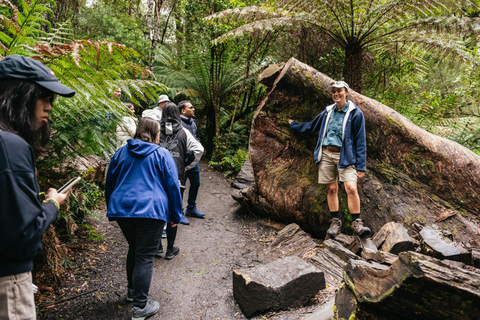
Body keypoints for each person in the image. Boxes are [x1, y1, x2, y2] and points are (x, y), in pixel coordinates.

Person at [0, 55, 76, 319]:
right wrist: (52, 204)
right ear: (20, 96)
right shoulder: (10, 146)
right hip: (8, 281)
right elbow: (23, 230)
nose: (49, 107)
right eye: (44, 97)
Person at [105, 117, 183, 319]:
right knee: (145, 256)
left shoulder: (121, 152)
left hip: (123, 211)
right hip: (151, 211)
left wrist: (111, 207)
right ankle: (140, 307)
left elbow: (110, 182)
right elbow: (173, 186)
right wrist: (176, 214)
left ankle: (132, 292)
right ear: (156, 134)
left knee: (135, 248)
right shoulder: (162, 154)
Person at [288, 81, 371, 238]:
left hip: (345, 155)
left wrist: (361, 166)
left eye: (339, 90)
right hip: (326, 154)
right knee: (331, 188)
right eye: (334, 91)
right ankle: (335, 222)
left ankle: (357, 224)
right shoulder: (328, 112)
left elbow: (360, 141)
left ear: (346, 92)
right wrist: (295, 126)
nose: (336, 93)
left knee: (351, 188)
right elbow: (312, 126)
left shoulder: (355, 113)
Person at [157, 103, 204, 260]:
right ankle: (170, 249)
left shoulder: (155, 129)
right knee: (173, 213)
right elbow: (199, 150)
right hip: (177, 178)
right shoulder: (183, 131)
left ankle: (157, 247)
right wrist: (187, 166)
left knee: (158, 212)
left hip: (156, 178)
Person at [179, 100, 205, 218]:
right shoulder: (178, 123)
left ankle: (191, 208)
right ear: (183, 111)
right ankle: (179, 211)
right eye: (191, 107)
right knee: (181, 186)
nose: (193, 109)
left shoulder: (192, 123)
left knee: (196, 183)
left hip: (193, 159)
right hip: (183, 160)